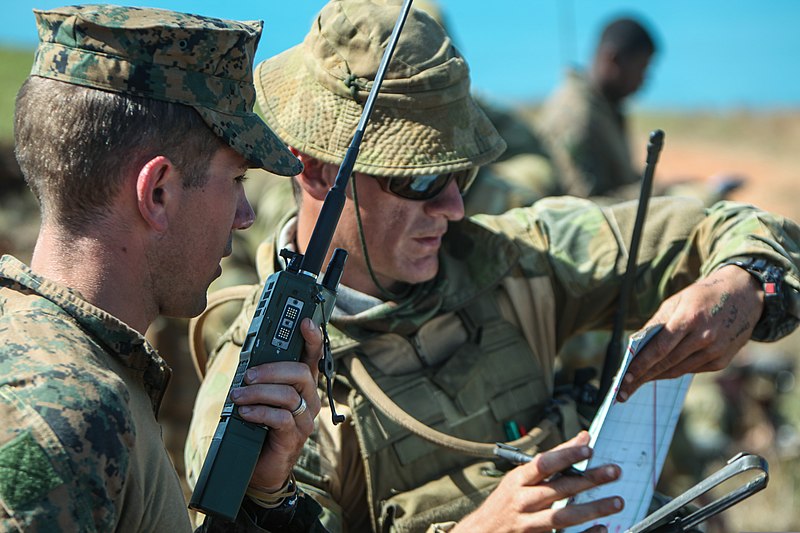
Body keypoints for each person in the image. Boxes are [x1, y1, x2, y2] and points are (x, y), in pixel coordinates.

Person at [185, 1, 800, 532]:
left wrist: (742, 281)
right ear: (317, 168)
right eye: (422, 180)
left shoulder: (521, 261)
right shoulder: (267, 391)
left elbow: (734, 227)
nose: (453, 206)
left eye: (462, 173)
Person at [0, 5, 327, 531]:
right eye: (237, 179)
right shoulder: (66, 411)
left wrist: (263, 496)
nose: (245, 217)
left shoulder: (81, 372)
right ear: (157, 193)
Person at [536, 16, 742, 203]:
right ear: (613, 60)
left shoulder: (605, 108)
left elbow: (621, 183)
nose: (644, 80)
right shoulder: (575, 115)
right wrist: (669, 195)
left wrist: (671, 188)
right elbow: (584, 208)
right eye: (641, 68)